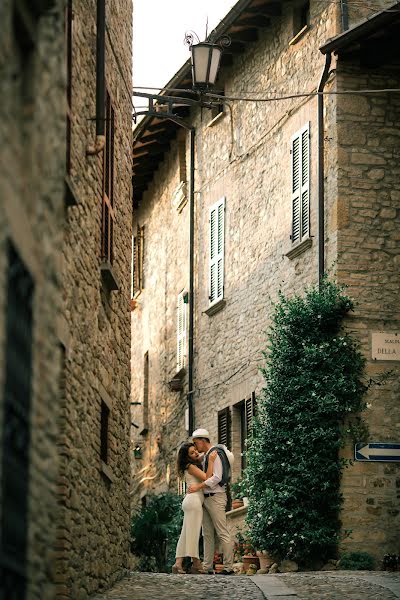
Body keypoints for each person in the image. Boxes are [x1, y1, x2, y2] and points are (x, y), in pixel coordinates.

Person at [188, 428, 234, 575]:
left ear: (203, 440)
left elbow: (216, 478)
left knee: (222, 532)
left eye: (196, 443)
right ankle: (207, 567)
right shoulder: (207, 455)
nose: (195, 447)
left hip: (216, 497)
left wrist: (198, 487)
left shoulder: (215, 454)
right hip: (206, 499)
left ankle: (228, 567)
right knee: (206, 533)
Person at [172, 442, 218, 574]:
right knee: (193, 533)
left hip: (191, 501)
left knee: (187, 533)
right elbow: (207, 478)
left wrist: (203, 456)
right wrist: (211, 460)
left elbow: (201, 456)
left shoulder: (190, 465)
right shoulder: (190, 466)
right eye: (192, 453)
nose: (196, 453)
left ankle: (178, 563)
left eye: (195, 450)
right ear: (186, 457)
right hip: (193, 502)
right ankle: (196, 563)